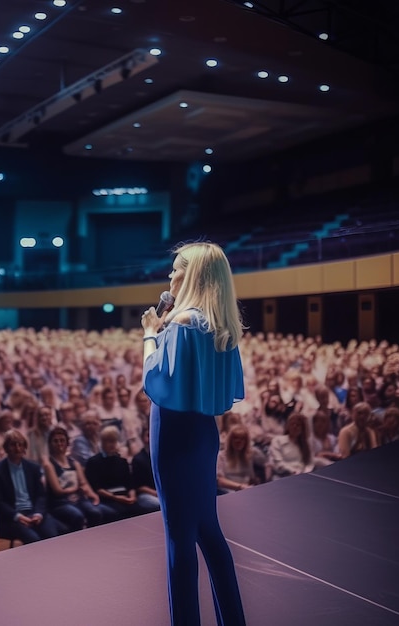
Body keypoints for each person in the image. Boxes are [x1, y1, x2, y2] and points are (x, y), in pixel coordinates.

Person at [141, 242, 246, 626]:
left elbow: (156, 381)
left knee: (178, 540)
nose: (170, 276)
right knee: (209, 532)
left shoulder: (183, 322)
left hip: (173, 432)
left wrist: (150, 334)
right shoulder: (217, 323)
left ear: (194, 274)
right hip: (202, 433)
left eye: (176, 269)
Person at [0, 429, 59, 544]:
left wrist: (38, 513)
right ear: (6, 448)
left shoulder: (33, 468)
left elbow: (41, 495)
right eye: (13, 444)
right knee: (33, 539)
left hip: (34, 512)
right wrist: (17, 516)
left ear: (25, 447)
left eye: (20, 444)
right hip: (12, 516)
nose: (17, 448)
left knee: (52, 535)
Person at [43, 427, 109, 531]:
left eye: (62, 440)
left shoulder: (74, 463)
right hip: (60, 503)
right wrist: (76, 488)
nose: (59, 443)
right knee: (78, 516)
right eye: (55, 441)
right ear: (50, 444)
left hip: (78, 499)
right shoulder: (49, 465)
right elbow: (58, 491)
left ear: (67, 443)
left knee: (95, 513)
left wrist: (93, 495)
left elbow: (84, 484)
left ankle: (94, 540)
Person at [268, 413, 315, 479]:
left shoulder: (307, 444)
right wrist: (293, 471)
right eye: (292, 424)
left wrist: (305, 472)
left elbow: (310, 463)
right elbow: (278, 463)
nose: (295, 427)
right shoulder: (277, 440)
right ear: (288, 426)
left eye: (298, 425)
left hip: (302, 476)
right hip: (282, 476)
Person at [216, 424, 256, 492]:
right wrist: (240, 486)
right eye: (235, 438)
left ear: (246, 441)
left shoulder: (248, 456)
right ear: (230, 440)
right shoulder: (221, 456)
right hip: (226, 492)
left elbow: (251, 478)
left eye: (242, 438)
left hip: (245, 491)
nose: (238, 441)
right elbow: (220, 480)